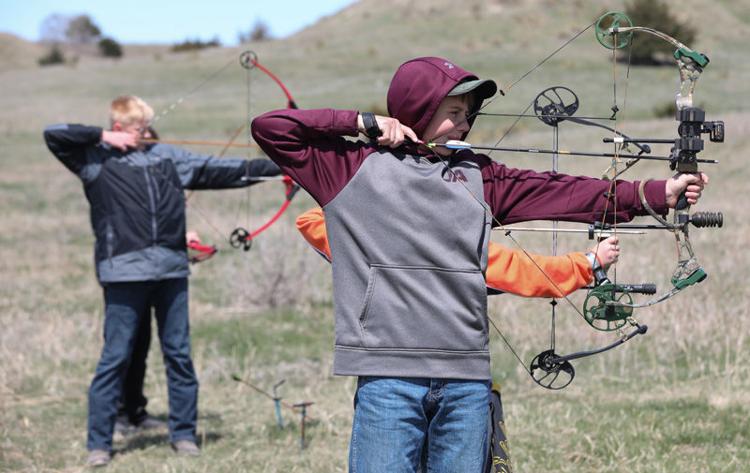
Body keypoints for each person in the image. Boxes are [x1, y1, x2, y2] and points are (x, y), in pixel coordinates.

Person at [251, 56, 707, 472]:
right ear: (416, 111)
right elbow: (271, 127)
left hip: (466, 377)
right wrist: (358, 122)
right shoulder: (349, 168)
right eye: (454, 112)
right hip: (388, 377)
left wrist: (652, 195)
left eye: (468, 114)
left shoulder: (478, 175)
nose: (464, 125)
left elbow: (560, 192)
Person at [43, 95, 283, 467]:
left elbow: (224, 171)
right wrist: (103, 136)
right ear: (120, 127)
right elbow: (54, 134)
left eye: (147, 126)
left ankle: (184, 434)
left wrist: (281, 168)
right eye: (139, 128)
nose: (147, 132)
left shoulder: (167, 156)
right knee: (116, 356)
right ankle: (100, 443)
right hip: (123, 273)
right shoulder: (94, 160)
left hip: (171, 270)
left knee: (179, 354)